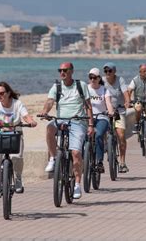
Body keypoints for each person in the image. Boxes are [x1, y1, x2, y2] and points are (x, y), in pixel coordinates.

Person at [40, 62, 94, 200]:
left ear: (71, 71)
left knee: (76, 153)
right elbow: (50, 101)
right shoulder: (57, 86)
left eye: (65, 70)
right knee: (49, 128)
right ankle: (53, 158)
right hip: (61, 120)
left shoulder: (81, 85)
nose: (62, 72)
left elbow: (88, 106)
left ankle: (77, 184)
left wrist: (91, 125)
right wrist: (45, 111)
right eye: (60, 70)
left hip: (77, 121)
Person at [0, 81, 37, 197]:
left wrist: (31, 122)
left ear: (8, 93)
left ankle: (18, 179)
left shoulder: (17, 104)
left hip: (15, 135)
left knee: (17, 157)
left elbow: (25, 116)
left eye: (2, 93)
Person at [103, 62, 131, 173]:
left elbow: (125, 93)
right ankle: (107, 146)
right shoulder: (102, 81)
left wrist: (127, 101)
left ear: (114, 72)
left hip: (119, 111)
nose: (107, 73)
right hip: (105, 111)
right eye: (105, 71)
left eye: (110, 71)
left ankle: (122, 162)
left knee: (121, 135)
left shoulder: (120, 80)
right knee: (101, 130)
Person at [87, 68, 110, 173]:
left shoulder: (104, 90)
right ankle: (85, 158)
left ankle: (99, 161)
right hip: (88, 117)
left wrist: (111, 111)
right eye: (90, 77)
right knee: (83, 136)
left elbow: (108, 103)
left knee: (99, 135)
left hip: (102, 117)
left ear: (99, 78)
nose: (92, 79)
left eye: (95, 77)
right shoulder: (86, 89)